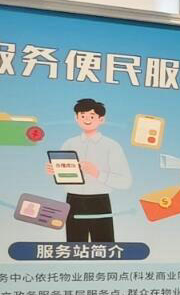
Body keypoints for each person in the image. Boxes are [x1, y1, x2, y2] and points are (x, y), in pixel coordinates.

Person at [50, 98, 132, 242]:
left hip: (99, 200)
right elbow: (63, 176)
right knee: (75, 246)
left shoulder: (111, 146)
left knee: (104, 245)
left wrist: (97, 174)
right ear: (76, 118)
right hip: (73, 200)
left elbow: (125, 181)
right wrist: (55, 171)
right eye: (82, 116)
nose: (87, 120)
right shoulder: (69, 143)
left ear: (101, 119)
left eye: (92, 116)